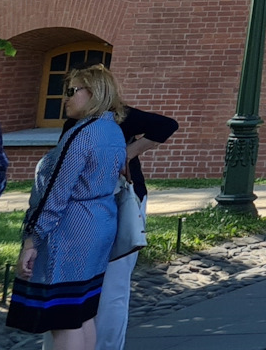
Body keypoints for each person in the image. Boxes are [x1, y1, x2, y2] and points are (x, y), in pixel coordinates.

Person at [8, 63, 128, 346]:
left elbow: (56, 193)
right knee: (82, 312)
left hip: (71, 231)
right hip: (99, 222)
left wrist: (32, 241)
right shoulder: (111, 129)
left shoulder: (82, 134)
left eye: (72, 91)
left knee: (62, 317)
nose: (66, 98)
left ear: (94, 93)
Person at [95, 104, 179, 350]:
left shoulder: (115, 114)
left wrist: (126, 153)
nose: (66, 97)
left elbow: (166, 125)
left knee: (113, 285)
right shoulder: (75, 122)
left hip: (122, 201)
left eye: (74, 90)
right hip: (87, 209)